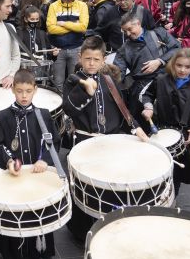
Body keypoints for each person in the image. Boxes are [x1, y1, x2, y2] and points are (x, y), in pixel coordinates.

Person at [62, 35, 148, 240]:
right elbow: (69, 109)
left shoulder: (109, 80)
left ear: (103, 60)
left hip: (111, 142)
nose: (91, 63)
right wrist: (86, 92)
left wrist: (136, 128)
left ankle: (109, 226)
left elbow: (122, 109)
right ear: (80, 58)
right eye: (87, 59)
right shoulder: (73, 81)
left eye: (96, 59)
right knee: (85, 186)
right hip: (85, 143)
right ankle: (81, 231)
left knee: (109, 185)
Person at [0, 69, 61, 259]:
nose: (23, 95)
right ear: (13, 89)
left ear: (35, 90)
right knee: (14, 219)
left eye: (28, 91)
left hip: (38, 179)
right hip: (15, 178)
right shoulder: (4, 116)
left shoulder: (43, 115)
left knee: (37, 217)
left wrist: (44, 159)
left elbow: (53, 141)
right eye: (19, 91)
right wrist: (9, 161)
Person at [141, 48, 190, 195]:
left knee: (176, 174)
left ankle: (173, 197)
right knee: (156, 169)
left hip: (184, 135)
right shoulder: (161, 79)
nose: (183, 70)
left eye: (188, 67)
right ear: (173, 64)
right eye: (179, 65)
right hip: (160, 130)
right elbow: (147, 94)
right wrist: (148, 107)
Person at [114, 12, 180, 131]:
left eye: (130, 29)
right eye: (125, 31)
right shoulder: (123, 49)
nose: (128, 34)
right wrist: (107, 74)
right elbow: (118, 72)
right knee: (145, 125)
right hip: (142, 87)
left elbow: (177, 48)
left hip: (169, 81)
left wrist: (160, 61)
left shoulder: (159, 33)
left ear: (138, 23)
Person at [46, 0, 89, 92]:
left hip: (76, 48)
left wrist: (64, 24)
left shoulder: (82, 6)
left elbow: (83, 28)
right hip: (57, 49)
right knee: (57, 83)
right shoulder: (53, 6)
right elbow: (51, 29)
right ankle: (60, 109)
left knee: (75, 82)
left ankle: (71, 108)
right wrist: (74, 26)